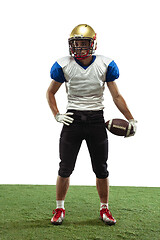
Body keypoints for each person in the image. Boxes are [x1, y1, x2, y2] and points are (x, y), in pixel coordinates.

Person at [46, 24, 137, 226]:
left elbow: (117, 96)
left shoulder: (105, 64)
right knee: (65, 167)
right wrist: (57, 115)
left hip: (96, 120)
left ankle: (104, 208)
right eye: (76, 43)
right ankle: (59, 207)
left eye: (83, 42)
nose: (79, 47)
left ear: (92, 43)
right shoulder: (64, 64)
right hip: (73, 120)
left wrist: (131, 118)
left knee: (101, 168)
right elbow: (50, 92)